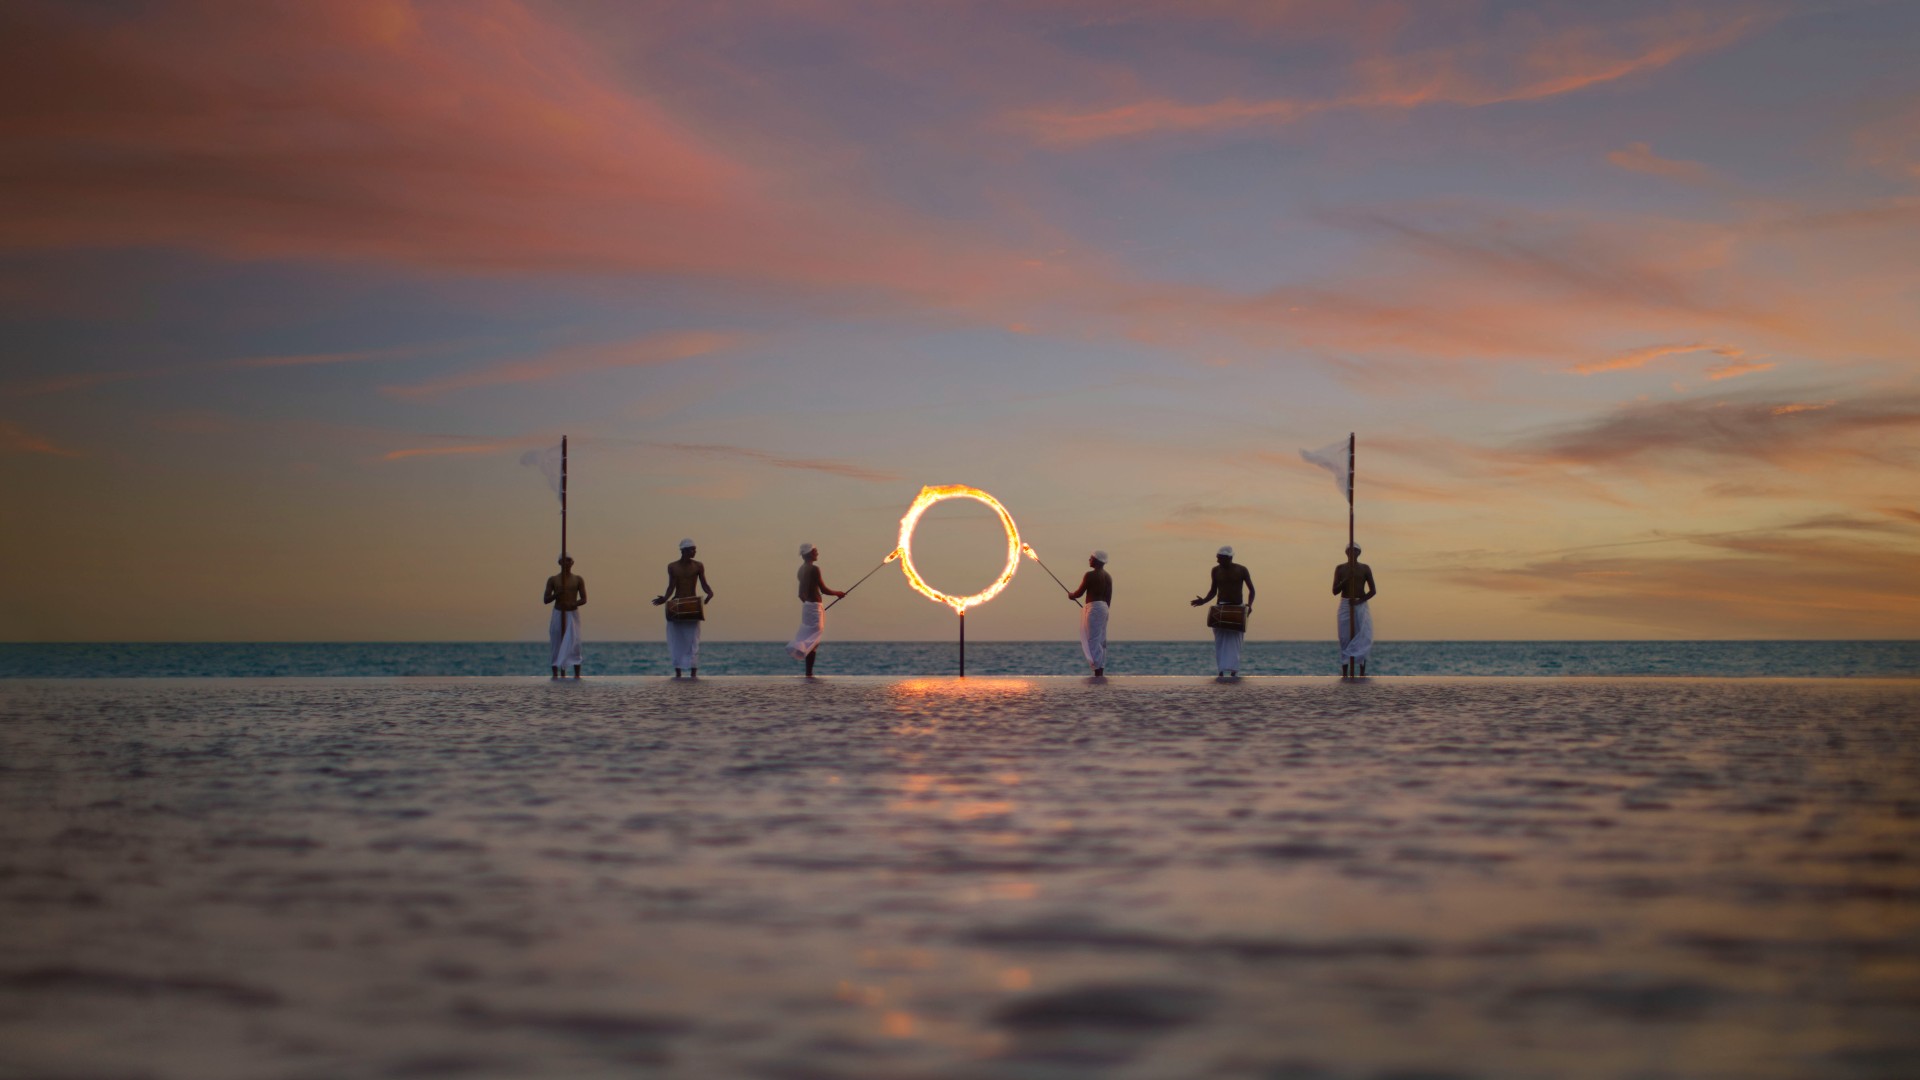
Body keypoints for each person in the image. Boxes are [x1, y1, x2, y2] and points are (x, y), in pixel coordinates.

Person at [652, 538, 714, 678]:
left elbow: (704, 583)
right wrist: (664, 598)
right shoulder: (672, 566)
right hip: (677, 604)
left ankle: (693, 672)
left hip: (693, 605)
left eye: (695, 549)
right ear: (684, 551)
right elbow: (671, 586)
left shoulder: (698, 566)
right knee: (676, 641)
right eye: (692, 549)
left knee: (693, 640)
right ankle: (678, 672)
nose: (695, 551)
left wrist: (709, 593)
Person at [1191, 545, 1255, 677]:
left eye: (1220, 558)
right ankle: (1221, 670)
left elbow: (1252, 590)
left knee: (1235, 642)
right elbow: (1213, 591)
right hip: (1221, 606)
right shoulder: (1215, 570)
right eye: (1217, 558)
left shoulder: (1242, 570)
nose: (1217, 561)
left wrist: (1249, 605)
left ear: (1229, 558)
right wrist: (1203, 601)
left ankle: (1233, 671)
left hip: (1237, 607)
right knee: (1219, 641)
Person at [786, 543, 845, 677]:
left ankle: (808, 672)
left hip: (807, 607)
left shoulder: (801, 570)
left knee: (811, 639)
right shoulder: (814, 569)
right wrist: (838, 593)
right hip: (813, 607)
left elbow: (801, 594)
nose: (817, 553)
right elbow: (823, 590)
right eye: (815, 551)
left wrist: (809, 606)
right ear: (810, 553)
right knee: (814, 641)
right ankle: (809, 673)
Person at [1333, 543, 1377, 676]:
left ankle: (1362, 671)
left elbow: (1373, 591)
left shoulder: (1365, 568)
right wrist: (1347, 578)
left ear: (1359, 553)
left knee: (1362, 635)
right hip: (1346, 604)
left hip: (1360, 604)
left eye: (1355, 551)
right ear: (1346, 552)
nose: (1352, 553)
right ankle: (1345, 671)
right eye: (1350, 551)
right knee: (1344, 636)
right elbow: (1335, 591)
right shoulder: (1340, 568)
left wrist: (1359, 601)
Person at [1066, 550, 1113, 676]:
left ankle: (1097, 670)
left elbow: (1079, 593)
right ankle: (1100, 668)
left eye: (1091, 558)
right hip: (1104, 608)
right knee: (1101, 640)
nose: (1089, 559)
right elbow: (1108, 598)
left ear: (1097, 561)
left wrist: (1071, 595)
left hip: (1094, 608)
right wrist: (1104, 611)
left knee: (1092, 639)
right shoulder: (1108, 576)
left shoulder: (1089, 575)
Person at [543, 554, 587, 679]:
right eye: (563, 561)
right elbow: (545, 599)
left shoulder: (578, 579)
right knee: (556, 642)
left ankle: (577, 675)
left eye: (569, 560)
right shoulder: (553, 580)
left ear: (572, 563)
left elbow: (584, 599)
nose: (566, 563)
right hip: (558, 612)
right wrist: (557, 594)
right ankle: (555, 674)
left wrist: (574, 603)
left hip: (572, 613)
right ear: (559, 563)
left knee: (575, 643)